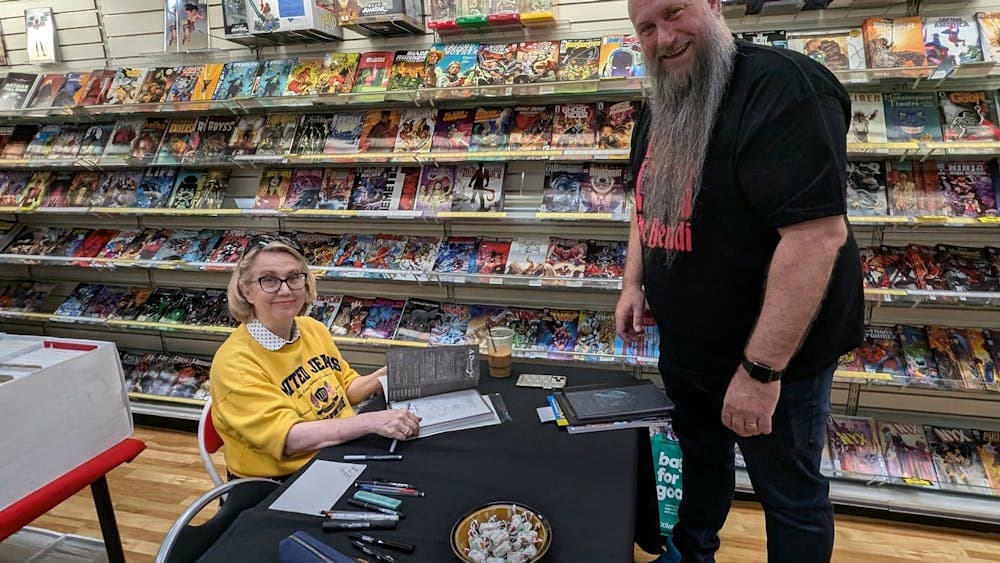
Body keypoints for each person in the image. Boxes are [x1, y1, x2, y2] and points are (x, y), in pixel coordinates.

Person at [617, 1, 864, 562]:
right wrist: (633, 282)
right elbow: (646, 196)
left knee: (790, 495)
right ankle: (690, 553)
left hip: (779, 362)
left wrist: (760, 371)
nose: (664, 37)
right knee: (702, 464)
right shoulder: (667, 97)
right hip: (689, 349)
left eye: (675, 12)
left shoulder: (785, 87)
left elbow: (817, 236)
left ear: (714, 5)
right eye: (647, 28)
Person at [210, 235, 420, 479]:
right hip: (277, 482)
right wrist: (372, 422)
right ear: (246, 291)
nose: (285, 289)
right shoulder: (236, 364)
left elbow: (345, 388)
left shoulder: (311, 328)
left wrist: (394, 371)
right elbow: (290, 438)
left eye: (293, 277)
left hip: (336, 451)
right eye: (269, 280)